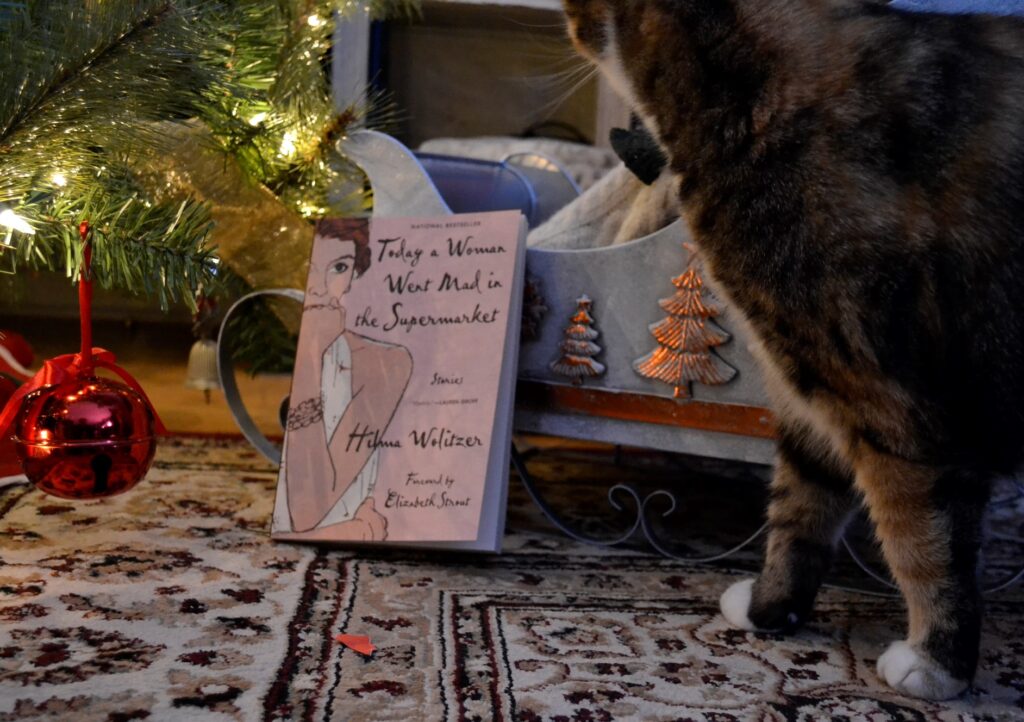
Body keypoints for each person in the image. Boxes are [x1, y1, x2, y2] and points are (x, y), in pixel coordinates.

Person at [272, 218, 412, 540]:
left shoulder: (387, 362)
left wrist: (311, 358)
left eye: (339, 267)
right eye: (310, 267)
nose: (319, 285)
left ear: (355, 275)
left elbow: (306, 512)